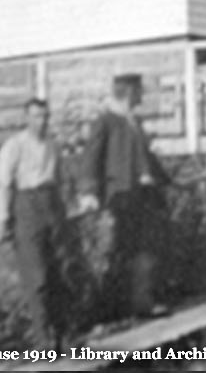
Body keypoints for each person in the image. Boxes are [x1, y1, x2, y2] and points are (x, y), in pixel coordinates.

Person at [78, 73, 168, 321]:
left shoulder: (133, 121)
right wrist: (88, 192)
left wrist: (166, 179)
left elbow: (146, 157)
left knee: (144, 249)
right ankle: (108, 311)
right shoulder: (106, 122)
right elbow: (91, 158)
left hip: (141, 195)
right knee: (119, 250)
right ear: (128, 92)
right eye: (139, 91)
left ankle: (142, 303)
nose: (143, 96)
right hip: (120, 196)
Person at [0, 97, 68, 351]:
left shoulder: (53, 145)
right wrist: (1, 221)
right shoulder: (14, 146)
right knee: (37, 278)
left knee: (58, 272)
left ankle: (62, 337)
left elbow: (59, 179)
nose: (42, 121)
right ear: (26, 118)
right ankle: (42, 341)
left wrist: (65, 208)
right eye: (36, 116)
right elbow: (3, 186)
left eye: (45, 116)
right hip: (26, 207)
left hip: (51, 206)